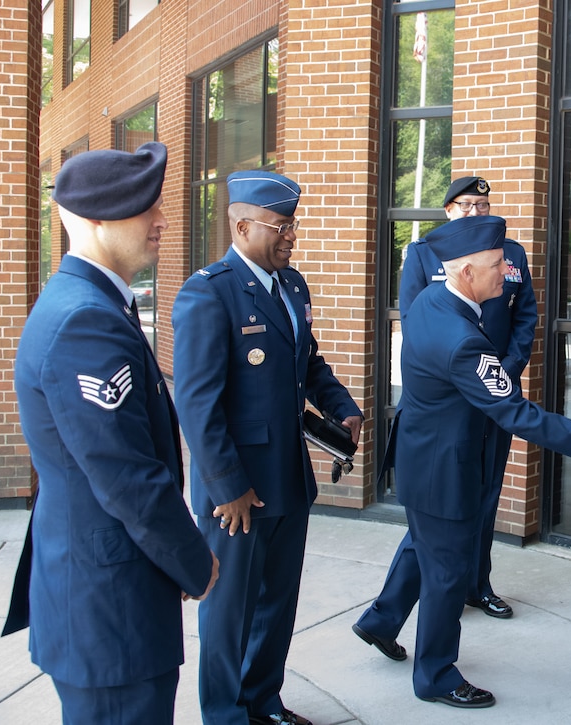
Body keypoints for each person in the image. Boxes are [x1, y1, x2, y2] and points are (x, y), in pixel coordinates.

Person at [353, 215, 571, 709]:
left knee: (424, 549)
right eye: (496, 266)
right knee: (447, 575)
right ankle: (436, 676)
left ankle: (380, 622)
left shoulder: (432, 302)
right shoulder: (462, 338)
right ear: (467, 272)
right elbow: (514, 411)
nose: (506, 273)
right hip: (445, 471)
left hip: (422, 461)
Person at [7, 142, 220, 724]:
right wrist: (192, 560)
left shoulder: (94, 303)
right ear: (96, 218)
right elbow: (127, 476)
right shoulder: (85, 320)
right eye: (144, 206)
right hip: (109, 606)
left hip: (106, 590)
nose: (161, 220)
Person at [172, 170, 364, 725]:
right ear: (242, 224)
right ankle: (226, 715)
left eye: (292, 225)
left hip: (287, 477)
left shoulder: (293, 286)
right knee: (228, 613)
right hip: (237, 490)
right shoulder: (209, 292)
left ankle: (263, 702)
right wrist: (226, 488)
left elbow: (309, 364)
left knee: (277, 604)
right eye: (281, 227)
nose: (291, 237)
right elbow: (198, 405)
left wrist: (342, 406)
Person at [398, 176, 538, 618]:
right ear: (448, 211)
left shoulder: (510, 255)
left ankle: (477, 583)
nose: (475, 212)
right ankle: (438, 588)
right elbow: (417, 323)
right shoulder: (423, 254)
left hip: (495, 394)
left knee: (487, 492)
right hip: (451, 402)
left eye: (482, 204)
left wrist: (503, 374)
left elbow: (525, 319)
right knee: (442, 506)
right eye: (465, 205)